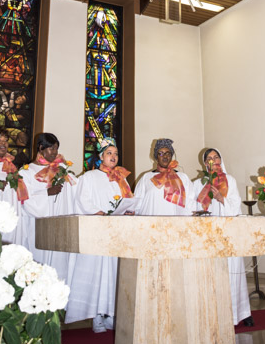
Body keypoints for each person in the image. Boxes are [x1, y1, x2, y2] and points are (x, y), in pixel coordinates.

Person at [65, 137, 134, 333]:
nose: (113, 157)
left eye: (116, 154)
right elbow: (82, 198)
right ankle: (96, 315)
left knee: (114, 272)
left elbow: (128, 199)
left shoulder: (122, 178)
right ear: (101, 156)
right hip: (97, 231)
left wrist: (129, 210)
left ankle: (111, 313)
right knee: (97, 272)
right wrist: (97, 212)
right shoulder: (90, 177)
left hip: (117, 232)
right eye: (109, 153)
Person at [193, 148, 254, 327]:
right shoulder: (198, 184)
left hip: (228, 235)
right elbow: (193, 206)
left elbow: (235, 208)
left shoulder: (231, 181)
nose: (213, 160)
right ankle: (215, 313)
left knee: (233, 273)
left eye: (216, 157)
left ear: (221, 159)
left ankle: (240, 312)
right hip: (209, 236)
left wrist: (221, 198)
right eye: (209, 158)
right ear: (205, 164)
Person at [20, 133, 78, 281]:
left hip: (61, 227)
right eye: (52, 148)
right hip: (40, 228)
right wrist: (47, 193)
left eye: (56, 149)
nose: (55, 152)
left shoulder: (61, 169)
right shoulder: (26, 172)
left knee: (60, 268)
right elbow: (25, 201)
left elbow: (77, 189)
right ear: (41, 148)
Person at [134, 138, 196, 216]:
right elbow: (137, 203)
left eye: (168, 153)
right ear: (156, 157)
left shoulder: (182, 177)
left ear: (171, 156)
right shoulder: (146, 178)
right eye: (161, 153)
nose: (165, 156)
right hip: (151, 224)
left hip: (175, 224)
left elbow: (191, 203)